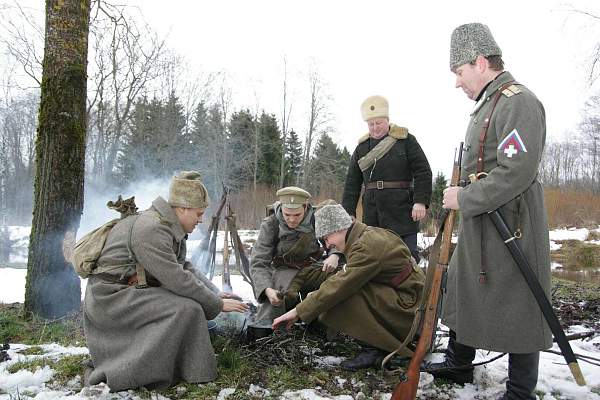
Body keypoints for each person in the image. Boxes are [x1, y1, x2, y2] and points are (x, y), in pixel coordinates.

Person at [431, 23, 552, 400]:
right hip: (485, 221)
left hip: (513, 223)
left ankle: (519, 391)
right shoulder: (491, 102)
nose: (457, 82)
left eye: (459, 72)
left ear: (480, 62)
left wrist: (463, 199)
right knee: (462, 287)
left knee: (520, 301)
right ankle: (459, 365)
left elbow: (517, 171)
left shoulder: (517, 101)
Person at [83, 171, 248, 391]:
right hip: (111, 298)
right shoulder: (151, 229)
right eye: (199, 213)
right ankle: (131, 372)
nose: (201, 219)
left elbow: (184, 267)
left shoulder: (168, 226)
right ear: (182, 209)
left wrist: (215, 293)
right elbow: (176, 278)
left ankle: (182, 369)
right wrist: (216, 305)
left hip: (128, 291)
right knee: (187, 309)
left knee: (190, 306)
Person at [273, 204, 425, 370]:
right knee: (334, 289)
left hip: (410, 310)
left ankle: (375, 349)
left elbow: (341, 286)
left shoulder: (366, 246)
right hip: (411, 302)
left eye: (326, 238)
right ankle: (377, 344)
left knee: (342, 296)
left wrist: (298, 311)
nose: (328, 245)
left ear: (339, 228)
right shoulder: (366, 235)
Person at [341, 95, 432, 262]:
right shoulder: (361, 148)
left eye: (379, 123)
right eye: (371, 124)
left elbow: (423, 171)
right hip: (373, 212)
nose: (375, 128)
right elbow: (352, 183)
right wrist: (349, 212)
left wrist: (420, 201)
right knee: (374, 257)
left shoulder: (406, 141)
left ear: (387, 120)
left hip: (402, 211)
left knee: (407, 258)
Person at [249, 187, 340, 327]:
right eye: (287, 214)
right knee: (277, 297)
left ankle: (329, 327)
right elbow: (259, 261)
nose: (291, 220)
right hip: (284, 270)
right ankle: (269, 330)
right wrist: (266, 289)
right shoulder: (271, 224)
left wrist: (334, 255)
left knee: (340, 279)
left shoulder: (317, 219)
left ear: (305, 207)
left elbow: (336, 239)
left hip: (314, 268)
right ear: (281, 208)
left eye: (297, 215)